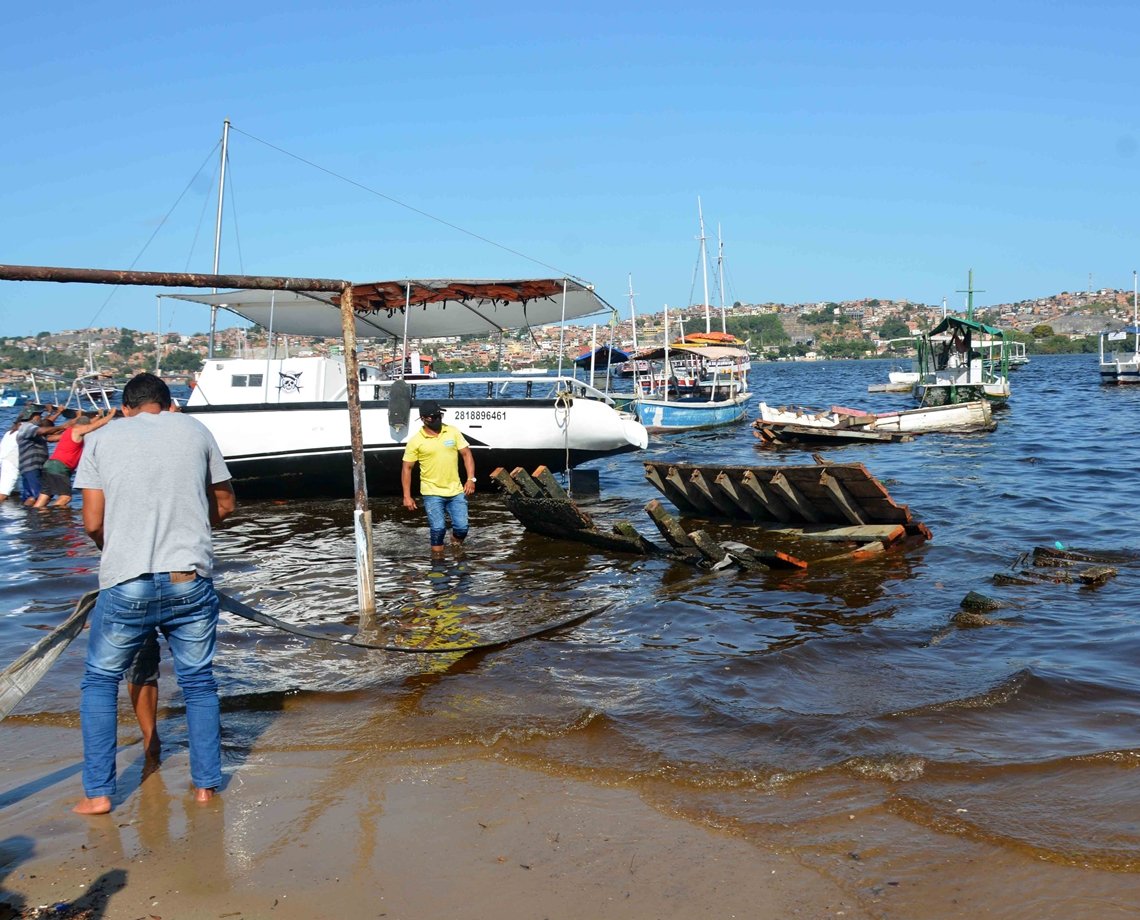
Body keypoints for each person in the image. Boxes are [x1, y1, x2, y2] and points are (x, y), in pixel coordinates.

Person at [71, 373, 236, 815]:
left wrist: (120, 551)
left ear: (126, 408)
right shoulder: (196, 429)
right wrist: (195, 535)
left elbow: (91, 522)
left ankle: (99, 794)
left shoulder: (103, 438)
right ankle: (204, 787)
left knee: (100, 681)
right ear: (168, 404)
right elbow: (224, 503)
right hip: (189, 579)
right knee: (199, 682)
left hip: (128, 583)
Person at [401, 399, 476, 558]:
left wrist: (470, 479)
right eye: (433, 417)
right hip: (432, 492)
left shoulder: (452, 431)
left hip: (455, 490)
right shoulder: (416, 441)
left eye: (439, 415)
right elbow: (407, 468)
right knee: (438, 529)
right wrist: (407, 496)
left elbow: (466, 454)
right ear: (423, 419)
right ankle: (438, 563)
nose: (437, 419)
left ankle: (455, 546)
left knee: (462, 528)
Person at [33, 408, 116, 508]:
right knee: (65, 497)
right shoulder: (77, 431)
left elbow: (51, 439)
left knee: (44, 496)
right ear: (83, 426)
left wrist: (99, 416)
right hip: (59, 467)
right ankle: (53, 516)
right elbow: (94, 426)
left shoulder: (69, 431)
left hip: (50, 465)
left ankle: (35, 516)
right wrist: (111, 415)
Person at [16, 406, 65, 505]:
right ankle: (41, 517)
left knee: (33, 496)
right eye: (39, 415)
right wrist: (63, 426)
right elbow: (44, 431)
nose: (40, 418)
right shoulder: (27, 427)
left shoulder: (32, 429)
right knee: (41, 496)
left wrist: (70, 428)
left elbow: (50, 434)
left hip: (32, 468)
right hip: (31, 467)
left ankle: (30, 517)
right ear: (33, 417)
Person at [0, 418, 20, 501]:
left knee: (13, 493)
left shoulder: (9, 433)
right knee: (3, 494)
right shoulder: (21, 433)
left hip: (6, 463)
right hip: (11, 464)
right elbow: (44, 430)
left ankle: (9, 510)